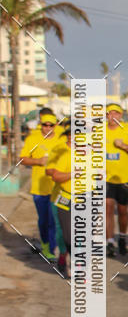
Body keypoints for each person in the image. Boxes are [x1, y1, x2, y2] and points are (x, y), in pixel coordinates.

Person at [19, 111, 61, 261]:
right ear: (41, 125)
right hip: (39, 187)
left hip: (58, 187)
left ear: (55, 125)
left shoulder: (61, 139)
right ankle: (45, 245)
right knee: (44, 220)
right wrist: (38, 161)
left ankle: (51, 249)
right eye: (45, 125)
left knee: (54, 220)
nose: (47, 127)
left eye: (51, 125)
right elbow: (22, 159)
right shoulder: (33, 139)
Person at [105, 103, 128, 257]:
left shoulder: (127, 130)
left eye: (116, 113)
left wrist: (123, 146)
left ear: (121, 115)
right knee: (108, 208)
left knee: (123, 211)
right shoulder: (99, 131)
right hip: (105, 178)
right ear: (106, 116)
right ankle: (110, 242)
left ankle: (122, 238)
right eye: (110, 113)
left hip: (124, 177)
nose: (113, 116)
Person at [45, 123, 72, 268]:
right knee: (62, 229)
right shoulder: (59, 149)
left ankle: (79, 264)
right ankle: (62, 253)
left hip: (84, 196)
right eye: (71, 134)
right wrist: (68, 173)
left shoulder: (90, 152)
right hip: (60, 195)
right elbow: (49, 171)